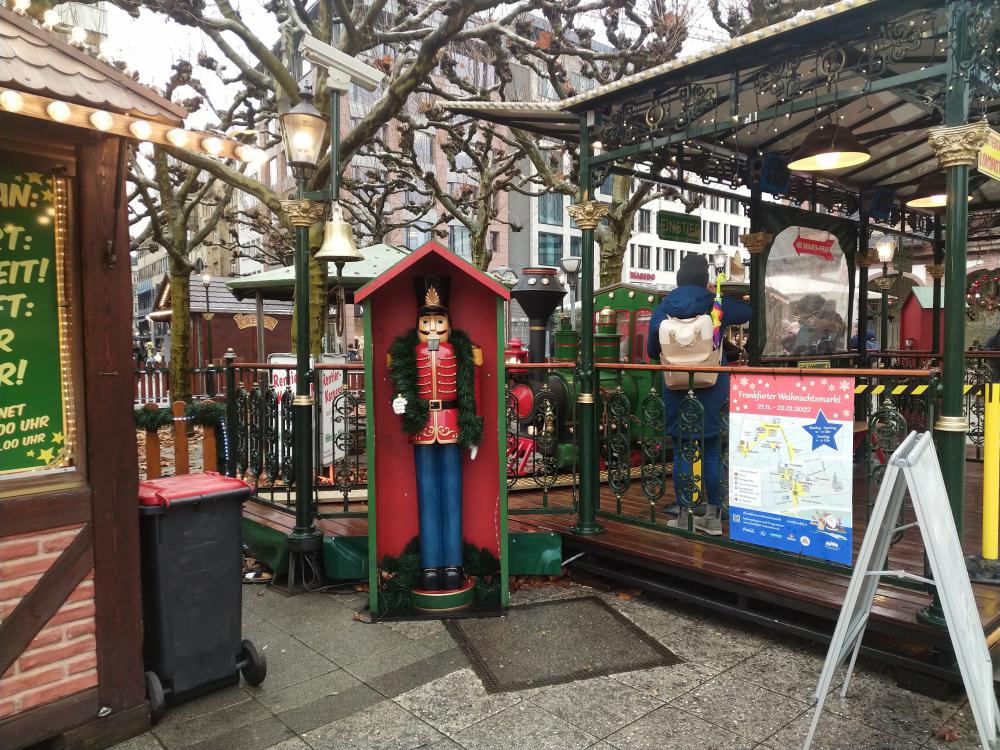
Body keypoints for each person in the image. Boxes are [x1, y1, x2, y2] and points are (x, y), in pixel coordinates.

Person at [388, 275, 483, 591]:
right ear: (418, 324)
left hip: (452, 425)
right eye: (426, 321)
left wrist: (473, 432)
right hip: (422, 427)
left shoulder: (462, 352)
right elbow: (401, 385)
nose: (432, 327)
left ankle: (454, 564)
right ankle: (430, 565)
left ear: (449, 324)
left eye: (438, 321)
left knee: (452, 495)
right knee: (427, 495)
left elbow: (473, 393)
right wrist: (398, 402)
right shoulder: (407, 354)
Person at [648, 254, 752, 535]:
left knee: (683, 450)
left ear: (679, 278)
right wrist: (713, 296)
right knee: (712, 451)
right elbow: (748, 312)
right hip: (713, 386)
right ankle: (713, 517)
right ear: (704, 279)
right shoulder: (715, 304)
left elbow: (651, 350)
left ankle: (684, 516)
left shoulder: (664, 307)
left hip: (676, 388)